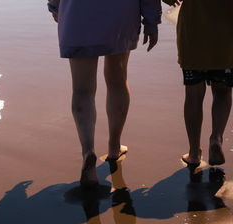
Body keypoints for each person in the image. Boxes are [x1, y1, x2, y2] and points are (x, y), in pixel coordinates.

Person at [47, 0, 161, 187]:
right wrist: (151, 20)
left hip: (77, 12)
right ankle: (114, 147)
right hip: (120, 14)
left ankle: (88, 151)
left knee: (82, 90)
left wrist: (54, 6)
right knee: (117, 81)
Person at [163, 0, 233, 166]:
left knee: (193, 96)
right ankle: (216, 138)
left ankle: (194, 152)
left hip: (193, 35)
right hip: (226, 37)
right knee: (223, 92)